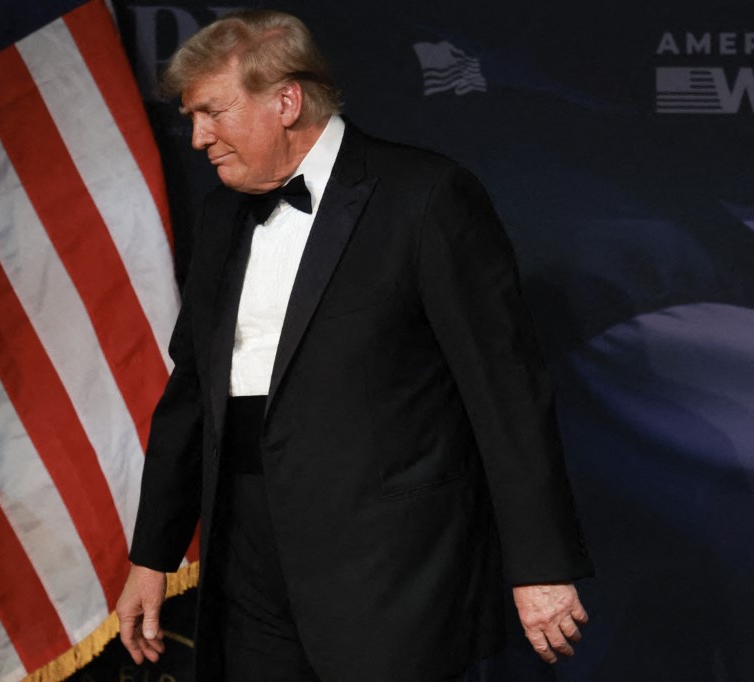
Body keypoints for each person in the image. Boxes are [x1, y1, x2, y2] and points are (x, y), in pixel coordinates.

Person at [116, 9, 594, 681]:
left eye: (213, 113)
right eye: (192, 117)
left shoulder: (425, 198)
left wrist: (541, 566)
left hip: (388, 573)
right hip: (245, 562)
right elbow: (192, 393)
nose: (197, 138)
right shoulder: (224, 214)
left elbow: (505, 391)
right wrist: (153, 555)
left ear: (286, 101)